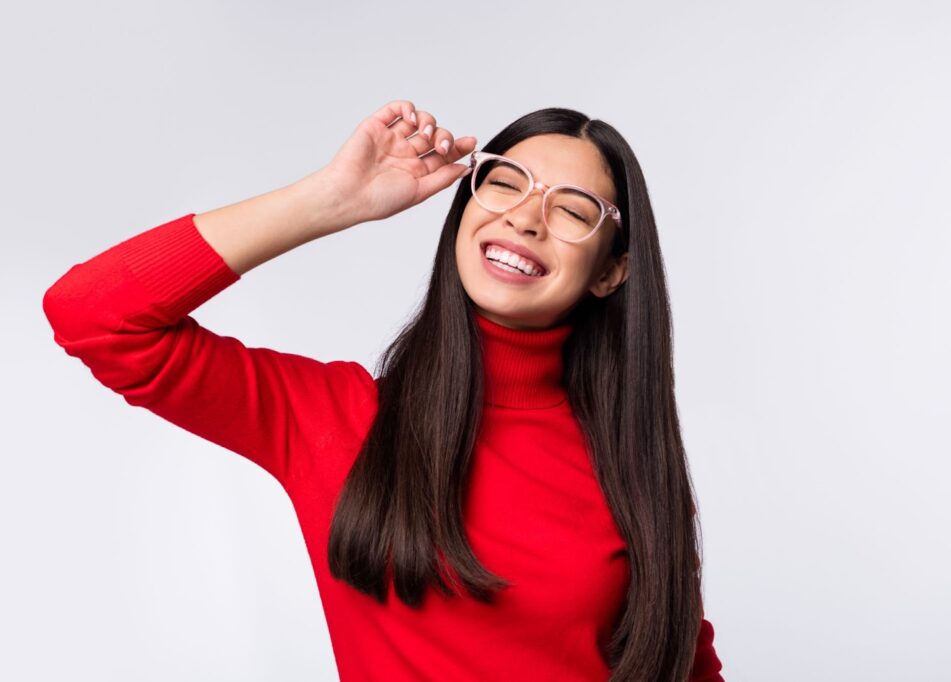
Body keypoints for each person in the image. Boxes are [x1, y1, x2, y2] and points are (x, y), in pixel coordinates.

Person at [42, 100, 725, 681]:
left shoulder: (636, 466)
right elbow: (93, 315)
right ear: (464, 208)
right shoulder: (336, 419)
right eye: (506, 182)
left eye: (574, 209)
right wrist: (330, 201)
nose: (525, 217)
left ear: (612, 271)